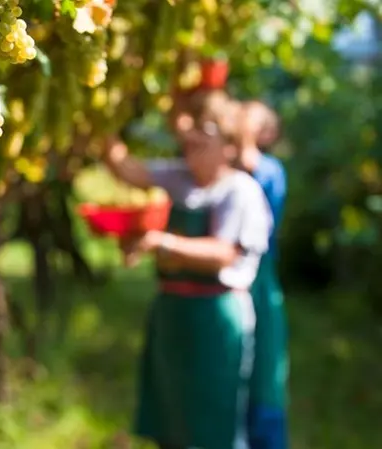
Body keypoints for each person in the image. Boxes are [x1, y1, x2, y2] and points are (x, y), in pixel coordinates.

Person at [103, 90, 273, 449]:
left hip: (216, 318)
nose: (191, 150)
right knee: (171, 414)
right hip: (171, 314)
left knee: (214, 419)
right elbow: (129, 171)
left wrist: (164, 243)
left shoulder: (239, 191)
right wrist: (104, 127)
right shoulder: (179, 178)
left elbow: (224, 253)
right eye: (189, 141)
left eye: (203, 142)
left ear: (227, 146)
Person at [235, 100, 288, 449]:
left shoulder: (269, 170)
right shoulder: (227, 163)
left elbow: (247, 160)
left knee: (264, 376)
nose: (240, 115)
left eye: (248, 116)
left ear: (266, 133)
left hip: (259, 285)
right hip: (232, 285)